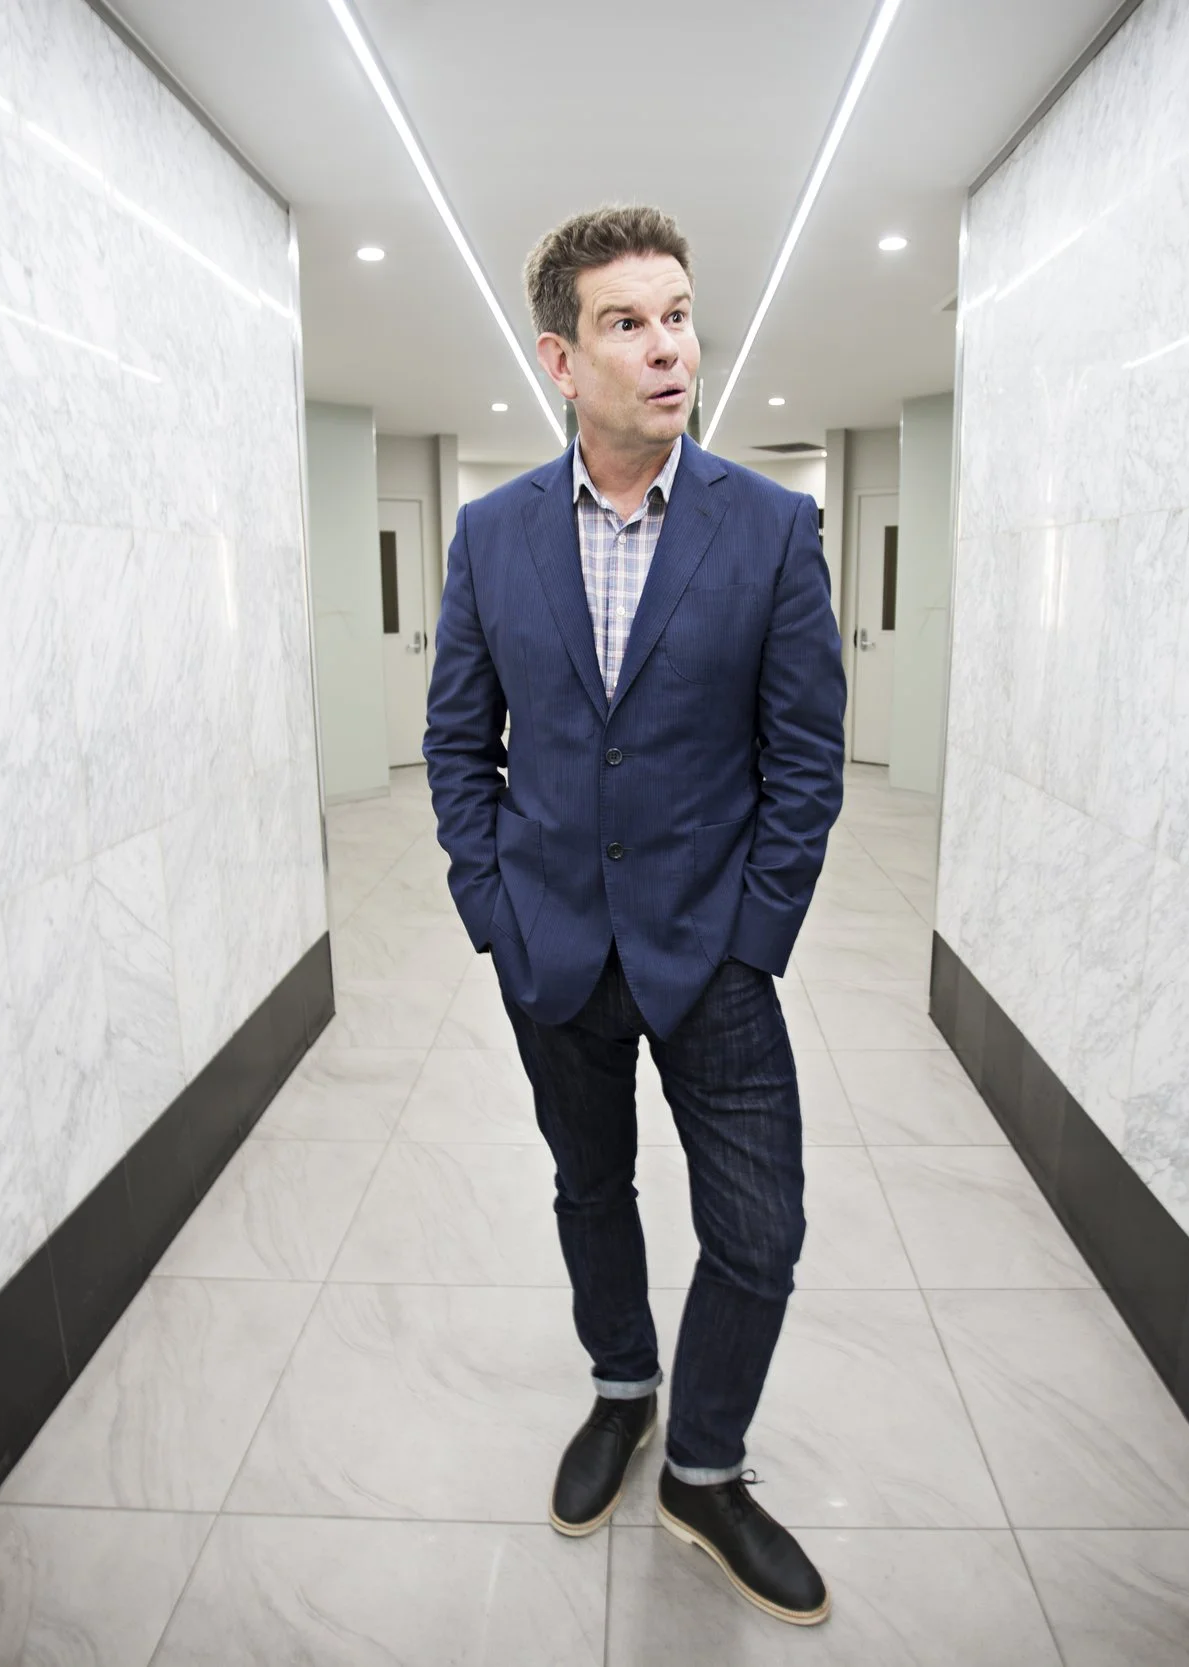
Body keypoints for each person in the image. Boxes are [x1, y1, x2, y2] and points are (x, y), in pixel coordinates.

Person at [423, 205, 847, 1626]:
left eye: (678, 314)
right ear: (560, 355)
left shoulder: (772, 529)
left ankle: (707, 1468)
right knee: (588, 1189)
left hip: (714, 953)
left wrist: (755, 932)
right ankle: (623, 1387)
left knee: (760, 1229)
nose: (669, 346)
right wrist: (491, 906)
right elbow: (455, 743)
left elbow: (803, 759)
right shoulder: (488, 539)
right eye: (627, 322)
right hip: (551, 948)